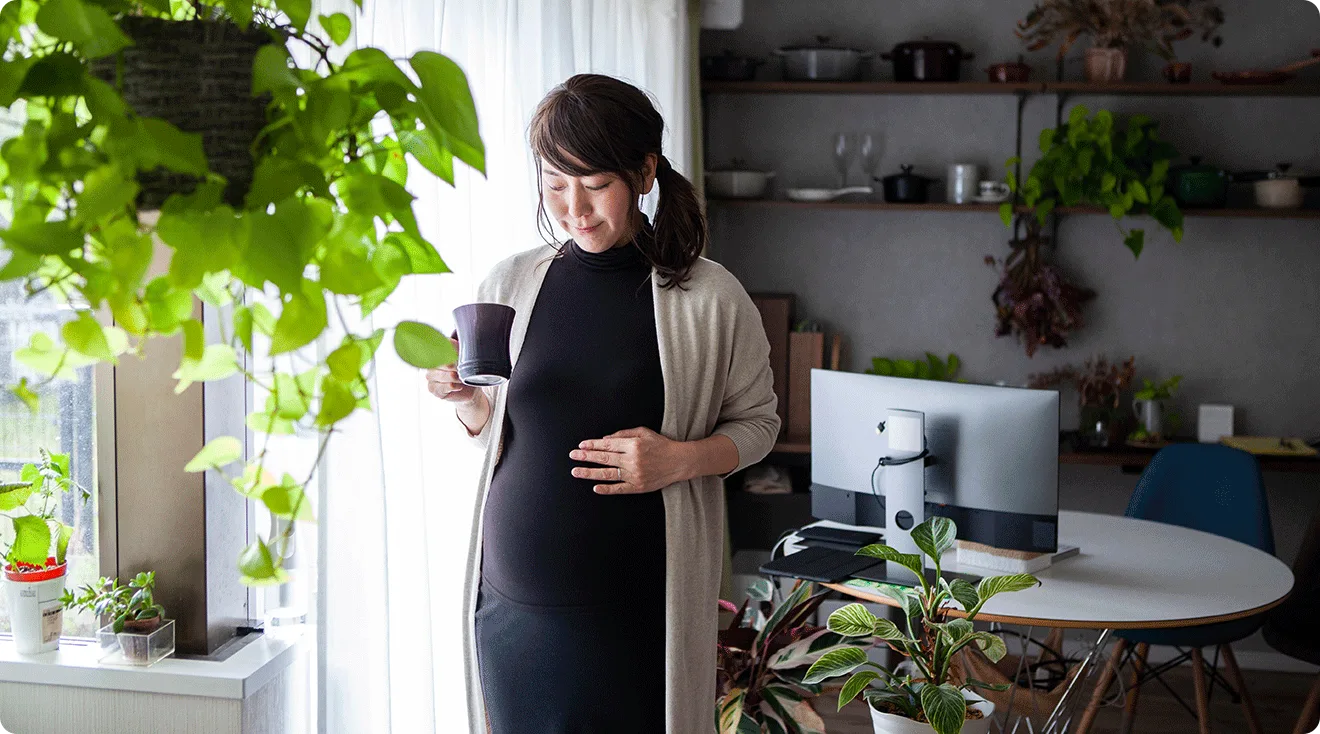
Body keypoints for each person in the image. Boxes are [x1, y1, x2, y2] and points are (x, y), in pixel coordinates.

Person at [426, 73, 780, 734]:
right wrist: (466, 399)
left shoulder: (709, 297)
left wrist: (677, 460)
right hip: (509, 616)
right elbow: (495, 433)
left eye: (595, 186)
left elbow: (759, 425)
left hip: (635, 621)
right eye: (556, 185)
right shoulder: (511, 282)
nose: (574, 209)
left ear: (644, 173)